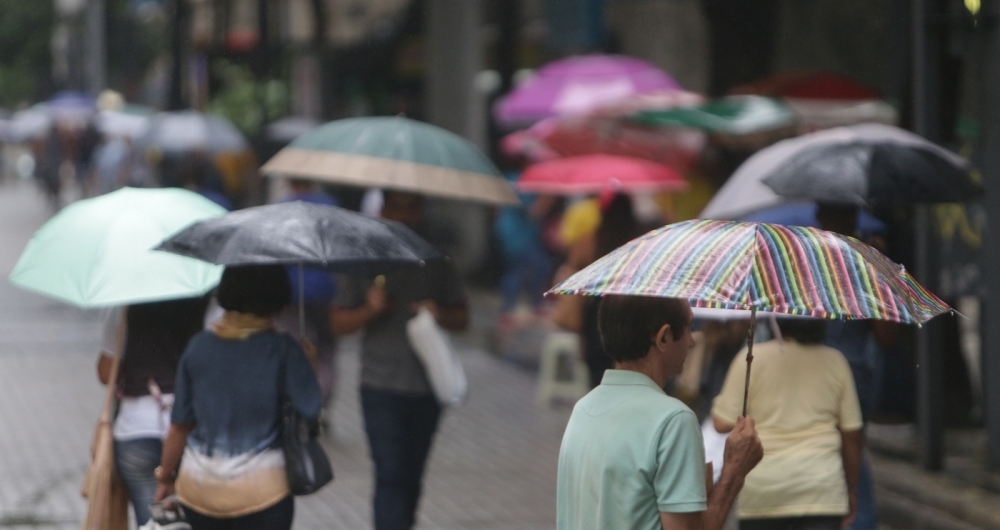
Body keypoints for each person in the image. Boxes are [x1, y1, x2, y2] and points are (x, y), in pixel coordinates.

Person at [557, 295, 763, 530]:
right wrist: (733, 472)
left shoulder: (583, 408)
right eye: (688, 328)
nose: (691, 341)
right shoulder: (673, 421)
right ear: (664, 337)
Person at [331, 190, 469, 530]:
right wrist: (370, 309)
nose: (405, 216)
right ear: (383, 209)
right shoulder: (363, 259)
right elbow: (338, 323)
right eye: (397, 207)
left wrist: (439, 313)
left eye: (413, 207)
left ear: (422, 209)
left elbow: (462, 317)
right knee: (389, 473)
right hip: (379, 385)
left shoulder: (438, 260)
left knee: (411, 476)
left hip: (427, 386)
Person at [153, 265, 321, 530]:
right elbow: (309, 413)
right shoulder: (284, 350)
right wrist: (310, 366)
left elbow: (180, 425)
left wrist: (165, 476)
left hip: (199, 490)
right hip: (264, 492)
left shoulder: (199, 346)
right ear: (277, 297)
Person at [712, 319, 864, 530]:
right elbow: (852, 435)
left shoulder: (751, 358)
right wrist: (852, 488)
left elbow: (721, 423)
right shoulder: (836, 360)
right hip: (821, 490)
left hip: (763, 490)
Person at [815, 201, 897, 530]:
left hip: (817, 374)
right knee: (851, 448)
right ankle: (858, 517)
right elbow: (886, 336)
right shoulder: (869, 262)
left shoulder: (803, 261)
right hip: (855, 374)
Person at [96, 297, 210, 526]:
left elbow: (106, 373)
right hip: (193, 429)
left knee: (151, 523)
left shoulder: (124, 301)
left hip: (136, 428)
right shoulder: (204, 300)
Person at [553, 193, 643, 387]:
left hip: (596, 318)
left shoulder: (591, 242)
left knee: (597, 378)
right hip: (628, 318)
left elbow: (573, 267)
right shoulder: (638, 246)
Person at [275, 179, 339, 424]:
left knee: (296, 347)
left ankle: (299, 400)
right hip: (325, 289)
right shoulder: (329, 206)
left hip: (291, 289)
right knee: (326, 350)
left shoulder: (282, 208)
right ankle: (321, 404)